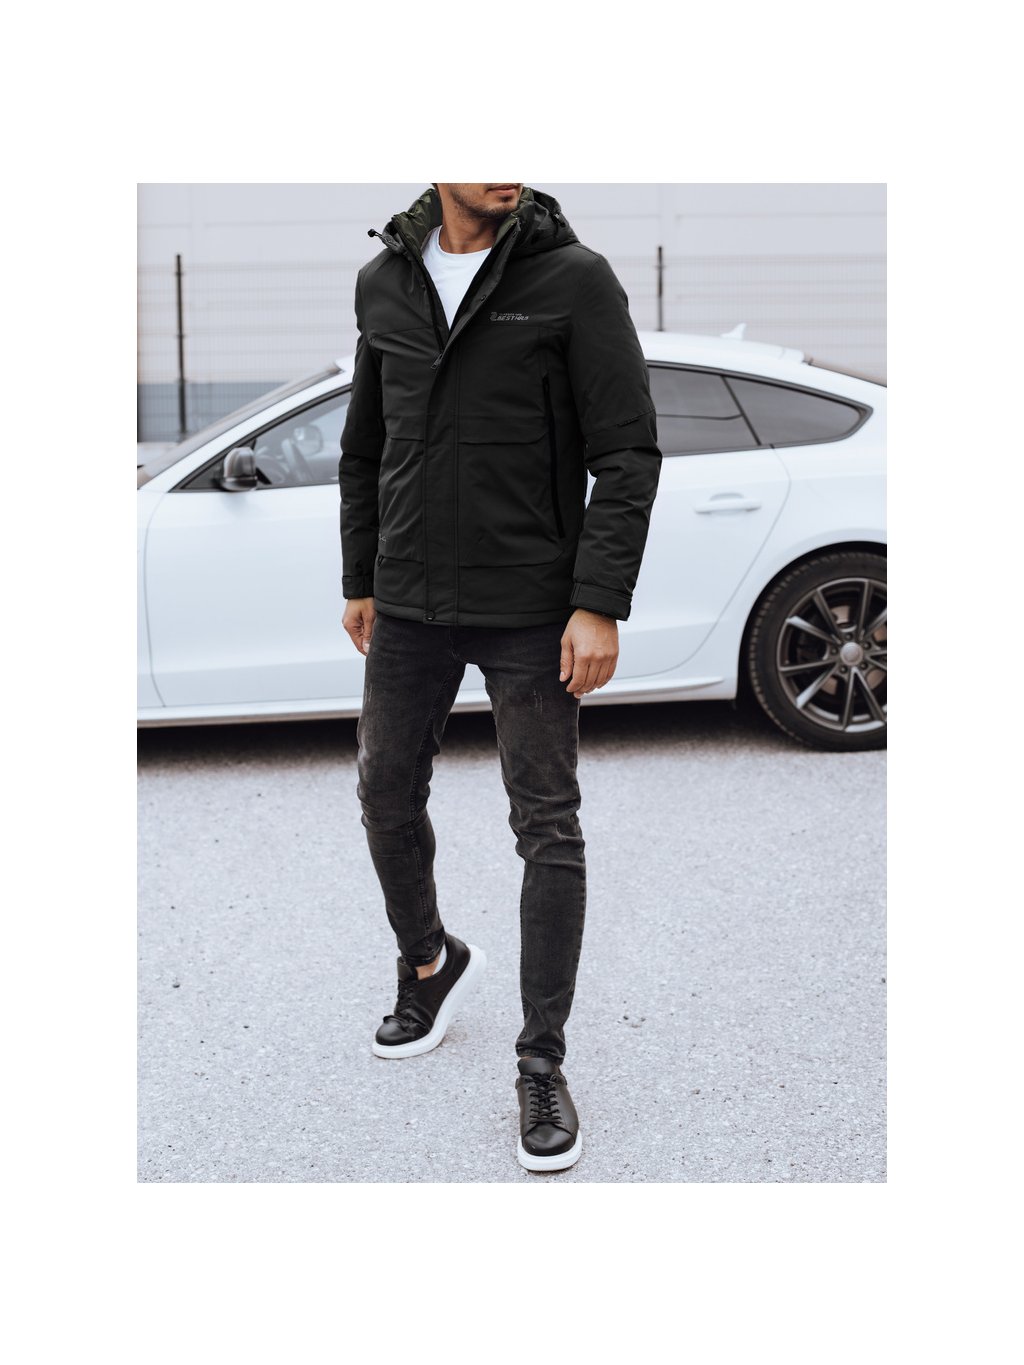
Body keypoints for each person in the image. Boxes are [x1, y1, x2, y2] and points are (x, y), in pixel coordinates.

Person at [339, 183, 662, 1173]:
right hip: (409, 601)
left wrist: (598, 600)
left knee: (546, 825)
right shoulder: (384, 282)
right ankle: (430, 962)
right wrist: (361, 576)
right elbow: (365, 446)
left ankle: (540, 1061)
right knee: (384, 792)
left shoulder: (573, 279)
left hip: (531, 604)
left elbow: (626, 449)